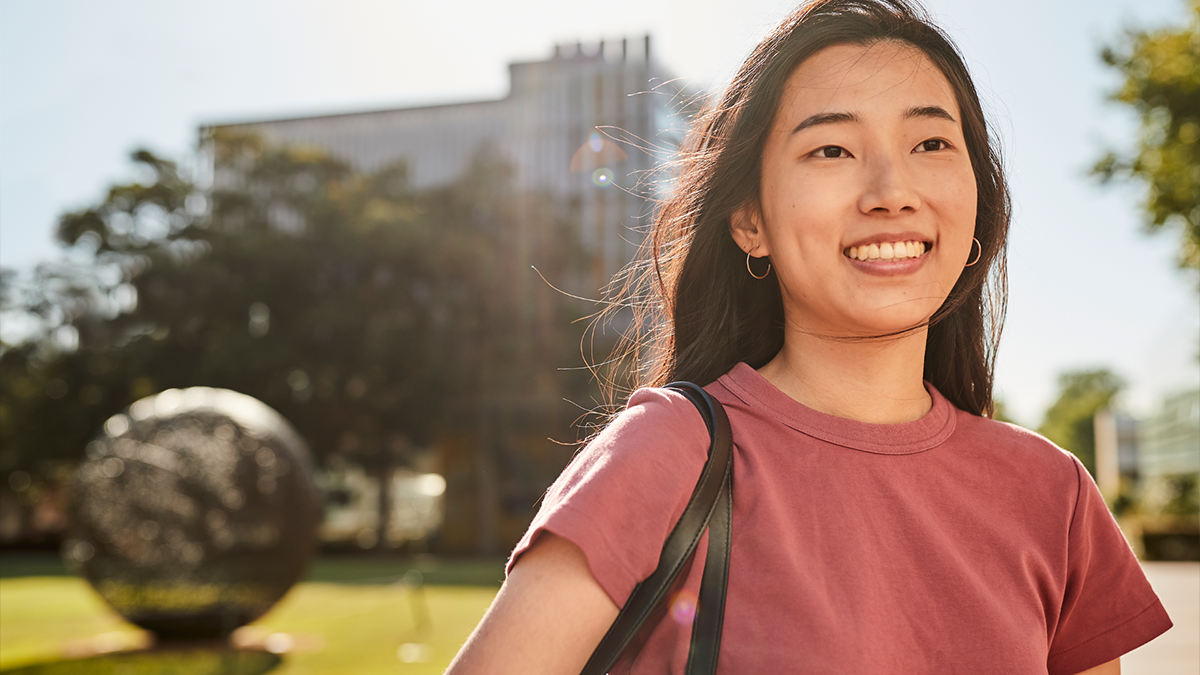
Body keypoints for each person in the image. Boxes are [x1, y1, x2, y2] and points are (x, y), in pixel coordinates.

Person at [446, 0, 1173, 672]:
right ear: (749, 222)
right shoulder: (666, 450)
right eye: (832, 150)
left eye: (930, 143)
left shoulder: (1055, 495)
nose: (892, 189)